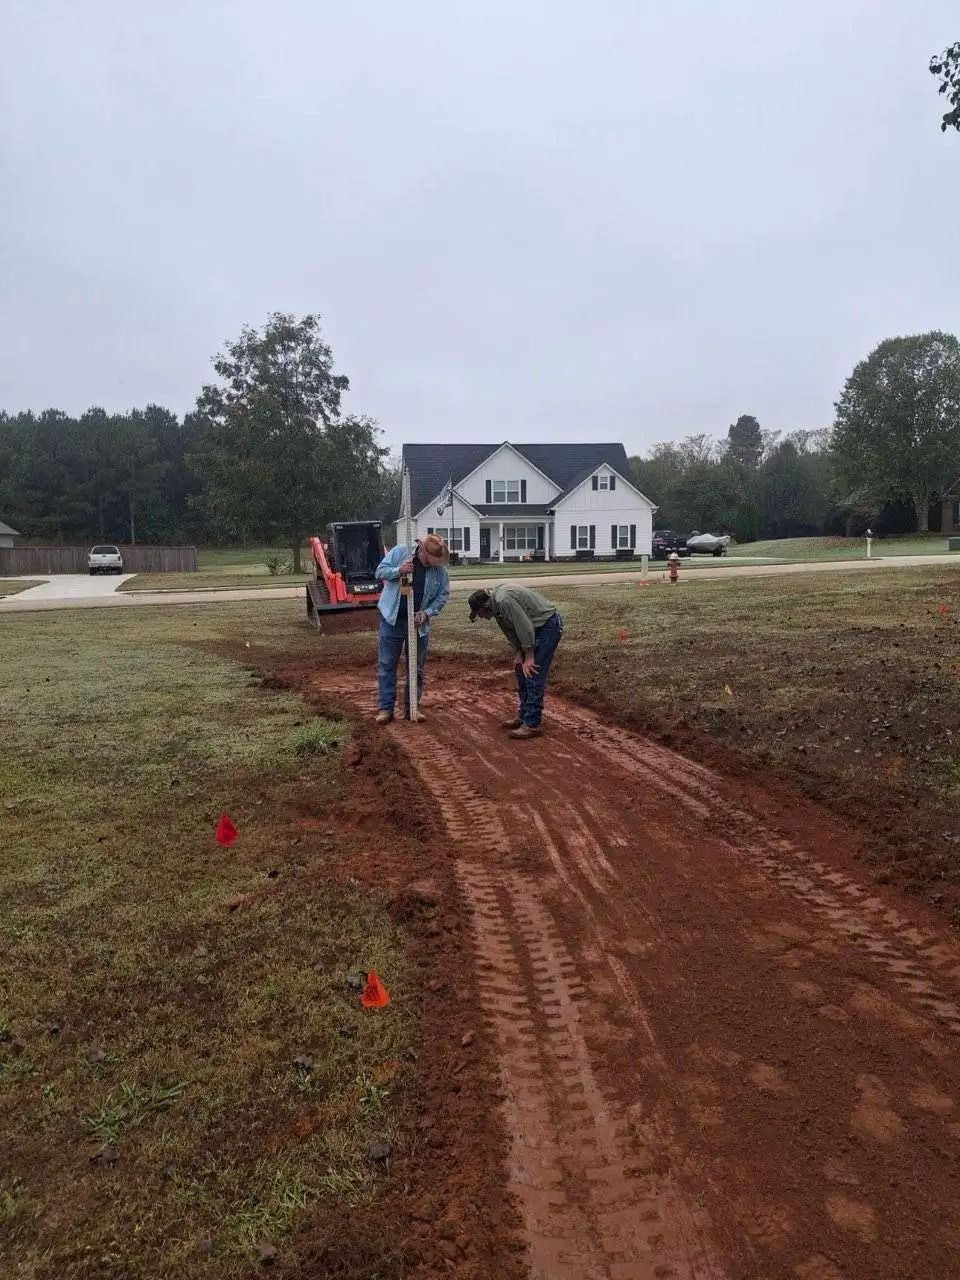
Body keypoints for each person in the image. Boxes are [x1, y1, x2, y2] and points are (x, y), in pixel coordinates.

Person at [468, 583, 564, 738]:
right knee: (521, 669)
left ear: (485, 606)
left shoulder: (503, 601)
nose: (480, 617)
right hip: (535, 629)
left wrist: (530, 656)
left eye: (479, 613)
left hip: (547, 626)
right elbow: (509, 630)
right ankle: (523, 716)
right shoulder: (496, 605)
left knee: (533, 671)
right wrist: (520, 653)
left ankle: (532, 724)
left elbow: (523, 626)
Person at [374, 533, 450, 724]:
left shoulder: (439, 571)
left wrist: (427, 613)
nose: (435, 564)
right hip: (392, 620)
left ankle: (412, 708)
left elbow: (442, 595)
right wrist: (398, 571)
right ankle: (385, 709)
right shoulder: (401, 552)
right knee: (387, 665)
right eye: (432, 559)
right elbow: (380, 571)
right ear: (422, 551)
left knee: (416, 667)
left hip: (418, 625)